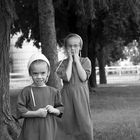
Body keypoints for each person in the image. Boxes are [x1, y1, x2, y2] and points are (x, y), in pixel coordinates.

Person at [16, 53, 63, 140]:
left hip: (48, 129)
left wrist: (54, 110)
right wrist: (36, 113)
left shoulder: (53, 91)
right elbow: (20, 111)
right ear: (30, 73)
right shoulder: (26, 91)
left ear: (48, 73)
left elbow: (61, 110)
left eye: (43, 73)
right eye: (35, 73)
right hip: (31, 129)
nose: (39, 77)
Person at [56, 33, 93, 140]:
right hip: (66, 96)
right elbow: (67, 78)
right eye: (70, 46)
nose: (73, 48)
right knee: (68, 121)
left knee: (84, 122)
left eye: (76, 45)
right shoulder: (61, 63)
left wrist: (76, 61)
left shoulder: (85, 61)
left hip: (81, 95)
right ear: (66, 48)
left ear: (80, 47)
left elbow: (83, 77)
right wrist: (71, 61)